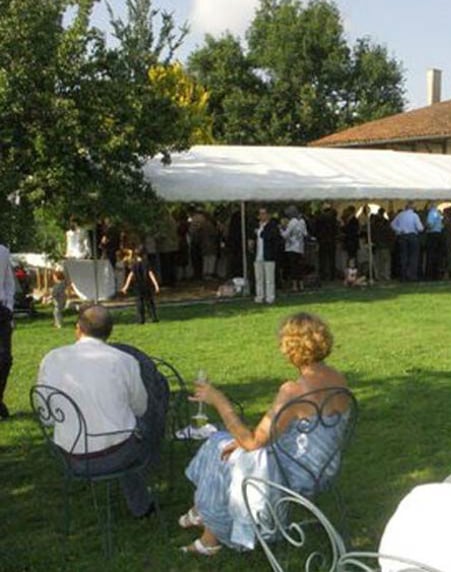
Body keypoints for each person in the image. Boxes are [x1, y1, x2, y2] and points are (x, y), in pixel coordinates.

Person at [179, 313, 351, 556]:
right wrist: (243, 444)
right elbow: (301, 433)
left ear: (290, 348)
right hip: (324, 467)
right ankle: (201, 513)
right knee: (229, 446)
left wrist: (218, 400)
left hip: (296, 475)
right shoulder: (338, 379)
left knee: (218, 445)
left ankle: (209, 534)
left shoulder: (293, 390)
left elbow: (252, 442)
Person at [36, 304, 155, 517]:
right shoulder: (125, 361)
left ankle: (140, 503)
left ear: (78, 328)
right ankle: (142, 503)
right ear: (109, 332)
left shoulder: (52, 358)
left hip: (69, 456)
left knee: (128, 428)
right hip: (118, 454)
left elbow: (46, 415)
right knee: (146, 422)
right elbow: (140, 407)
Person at [121, 246, 160, 324]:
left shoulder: (134, 264)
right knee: (150, 302)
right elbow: (150, 274)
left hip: (138, 286)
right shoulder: (146, 263)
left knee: (139, 303)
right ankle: (153, 317)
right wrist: (156, 285)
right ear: (144, 254)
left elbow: (130, 275)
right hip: (146, 285)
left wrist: (126, 286)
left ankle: (141, 319)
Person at [252, 207, 280, 304]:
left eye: (263, 213)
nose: (261, 216)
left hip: (269, 255)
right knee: (259, 278)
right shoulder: (257, 226)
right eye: (260, 214)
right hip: (258, 255)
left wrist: (260, 232)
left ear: (268, 215)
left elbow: (270, 237)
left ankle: (270, 297)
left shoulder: (272, 226)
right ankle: (259, 296)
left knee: (269, 278)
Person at [391, 202, 424, 281]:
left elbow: (392, 224)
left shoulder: (400, 215)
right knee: (413, 256)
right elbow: (420, 228)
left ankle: (403, 275)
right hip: (412, 236)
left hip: (402, 236)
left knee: (403, 256)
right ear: (412, 207)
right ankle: (412, 275)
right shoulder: (414, 215)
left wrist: (399, 230)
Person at [280, 205, 308, 292]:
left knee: (293, 267)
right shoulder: (302, 221)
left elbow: (285, 235)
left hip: (291, 247)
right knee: (300, 267)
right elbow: (305, 234)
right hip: (300, 247)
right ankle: (301, 285)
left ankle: (295, 286)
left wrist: (281, 229)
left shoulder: (292, 222)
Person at [0, 242, 14, 419]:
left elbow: (8, 282)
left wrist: (9, 307)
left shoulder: (2, 252)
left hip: (1, 311)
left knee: (5, 359)